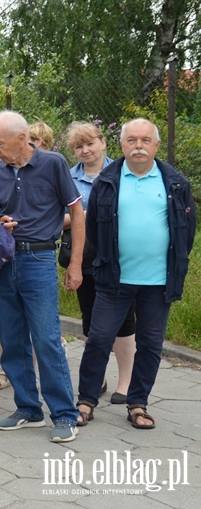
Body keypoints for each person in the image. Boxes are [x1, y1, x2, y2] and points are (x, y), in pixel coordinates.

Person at [77, 119, 195, 430]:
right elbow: (93, 230)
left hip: (158, 282)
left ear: (156, 145)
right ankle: (86, 401)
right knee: (99, 339)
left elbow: (187, 231)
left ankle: (138, 403)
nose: (138, 145)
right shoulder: (107, 181)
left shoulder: (176, 183)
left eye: (145, 140)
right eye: (131, 140)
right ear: (122, 145)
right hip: (114, 279)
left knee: (151, 344)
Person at [0, 110, 84, 443]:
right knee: (11, 339)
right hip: (5, 259)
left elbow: (76, 213)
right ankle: (28, 409)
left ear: (22, 139)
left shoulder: (53, 164)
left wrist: (76, 263)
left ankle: (65, 415)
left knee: (46, 339)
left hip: (40, 257)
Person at [65, 122, 135, 410]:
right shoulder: (69, 178)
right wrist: (82, 218)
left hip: (121, 257)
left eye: (90, 143)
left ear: (103, 143)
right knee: (90, 318)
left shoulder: (122, 173)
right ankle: (99, 378)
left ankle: (126, 382)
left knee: (124, 320)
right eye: (79, 146)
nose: (85, 150)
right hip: (85, 257)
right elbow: (61, 217)